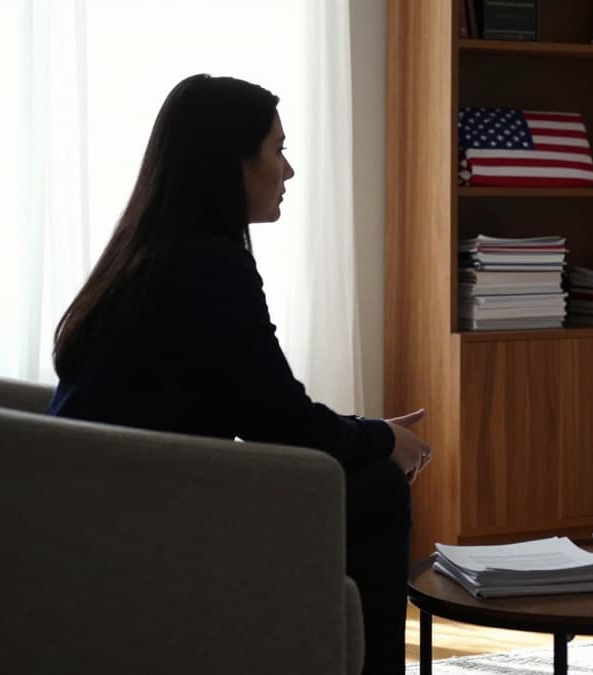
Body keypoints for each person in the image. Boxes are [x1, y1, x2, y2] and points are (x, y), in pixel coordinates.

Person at [48, 74, 427, 675]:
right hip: (145, 527)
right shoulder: (211, 267)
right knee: (378, 486)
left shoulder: (145, 254)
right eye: (278, 149)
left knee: (363, 468)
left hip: (88, 511)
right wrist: (384, 440)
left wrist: (369, 428)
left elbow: (267, 411)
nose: (289, 171)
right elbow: (283, 426)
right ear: (232, 163)